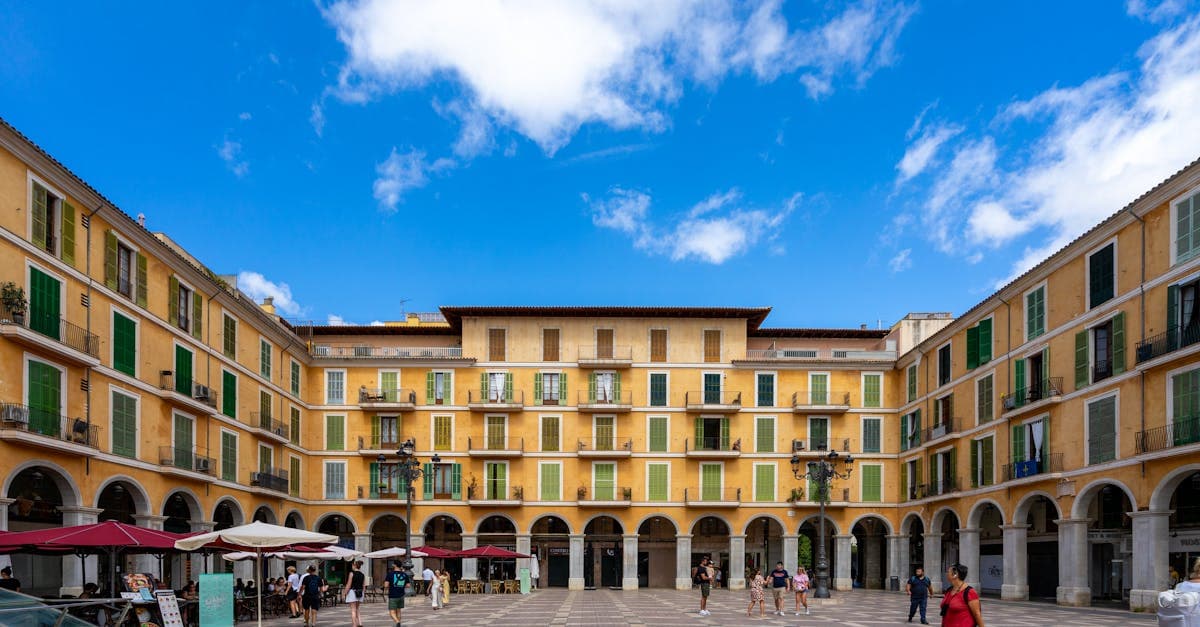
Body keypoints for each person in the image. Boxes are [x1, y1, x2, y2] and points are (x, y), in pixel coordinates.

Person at [385, 561, 409, 627]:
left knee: (392, 612)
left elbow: (386, 585)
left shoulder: (390, 574)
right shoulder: (404, 574)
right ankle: (398, 624)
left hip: (393, 594)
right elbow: (408, 585)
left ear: (394, 565)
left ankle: (397, 622)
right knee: (398, 610)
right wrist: (401, 585)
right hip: (401, 595)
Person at [346, 560, 365, 627]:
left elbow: (348, 584)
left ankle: (354, 625)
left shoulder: (352, 573)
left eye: (352, 565)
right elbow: (363, 586)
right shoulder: (362, 574)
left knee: (353, 610)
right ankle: (360, 623)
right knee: (357, 609)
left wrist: (345, 592)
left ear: (354, 565)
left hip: (352, 592)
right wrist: (363, 593)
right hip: (360, 592)